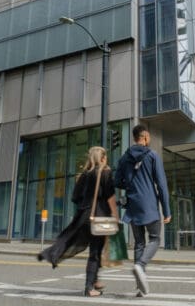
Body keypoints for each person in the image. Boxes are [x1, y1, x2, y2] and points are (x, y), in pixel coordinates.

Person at [37, 146, 118, 297]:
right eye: (105, 157)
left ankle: (94, 280)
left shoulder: (84, 175)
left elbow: (74, 198)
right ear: (102, 158)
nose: (106, 159)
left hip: (84, 217)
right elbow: (109, 196)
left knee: (94, 249)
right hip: (99, 217)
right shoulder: (105, 172)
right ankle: (89, 287)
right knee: (95, 252)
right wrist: (115, 213)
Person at [115, 124, 171, 297]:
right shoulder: (152, 155)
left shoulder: (124, 158)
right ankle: (141, 265)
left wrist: (131, 185)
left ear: (134, 137)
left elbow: (117, 182)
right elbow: (161, 185)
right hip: (149, 206)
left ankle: (140, 287)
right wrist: (167, 210)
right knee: (154, 239)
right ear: (145, 137)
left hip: (132, 205)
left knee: (139, 243)